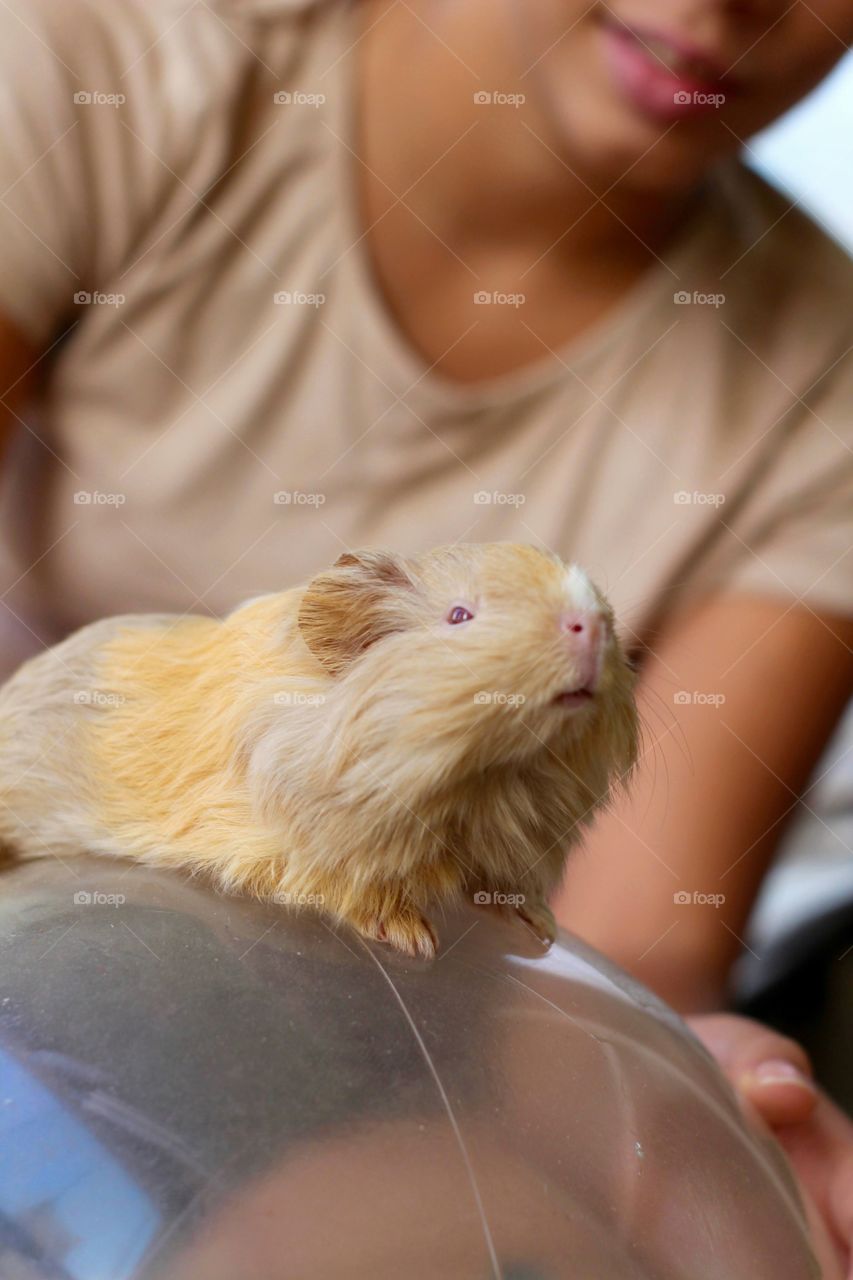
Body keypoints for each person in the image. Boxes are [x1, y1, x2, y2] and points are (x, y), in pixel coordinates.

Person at [0, 0, 850, 1260]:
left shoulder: (824, 379)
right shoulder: (111, 62)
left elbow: (625, 939)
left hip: (412, 1041)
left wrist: (668, 1091)